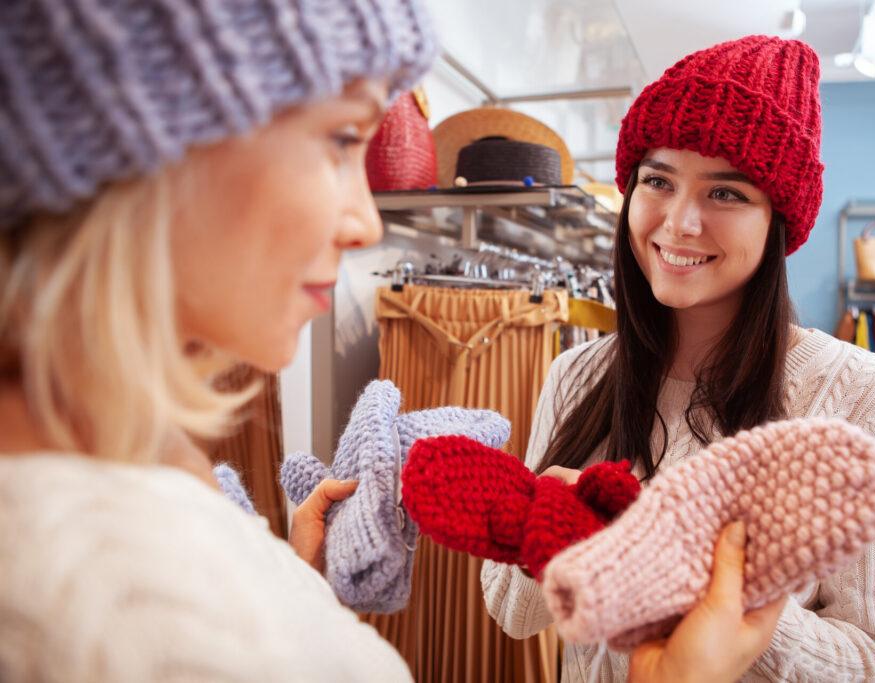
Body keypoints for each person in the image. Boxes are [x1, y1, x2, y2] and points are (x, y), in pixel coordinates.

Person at [0, 3, 800, 682]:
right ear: (155, 139)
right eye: (344, 138)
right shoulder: (85, 570)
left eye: (727, 192)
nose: (368, 220)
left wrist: (287, 580)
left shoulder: (132, 454)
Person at [482, 35, 875, 682]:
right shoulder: (576, 374)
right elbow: (512, 614)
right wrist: (549, 519)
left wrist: (718, 594)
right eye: (657, 180)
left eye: (726, 193)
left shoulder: (856, 392)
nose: (680, 221)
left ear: (777, 220)